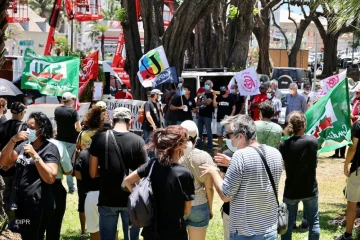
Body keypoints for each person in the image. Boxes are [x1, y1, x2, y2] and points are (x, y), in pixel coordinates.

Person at [200, 115, 283, 240]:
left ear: (240, 136)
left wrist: (213, 172)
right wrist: (233, 162)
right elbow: (257, 175)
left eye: (228, 135)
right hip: (270, 229)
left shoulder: (240, 156)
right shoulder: (275, 153)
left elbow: (225, 195)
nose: (229, 139)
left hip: (246, 232)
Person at [124, 125, 195, 240]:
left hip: (151, 231)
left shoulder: (152, 164)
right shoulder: (185, 173)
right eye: (186, 142)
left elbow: (127, 181)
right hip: (175, 232)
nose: (187, 145)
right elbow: (186, 210)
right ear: (178, 145)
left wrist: (141, 196)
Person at [89, 107, 147, 240]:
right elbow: (143, 172)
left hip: (107, 197)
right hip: (131, 198)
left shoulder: (99, 138)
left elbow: (92, 173)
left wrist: (105, 172)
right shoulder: (138, 141)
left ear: (112, 120)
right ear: (130, 121)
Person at [0, 112, 60, 240]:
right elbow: (4, 161)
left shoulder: (50, 148)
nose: (28, 130)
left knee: (34, 236)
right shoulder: (24, 145)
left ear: (42, 129)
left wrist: (35, 156)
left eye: (32, 128)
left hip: (38, 204)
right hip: (21, 203)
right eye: (27, 127)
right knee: (26, 235)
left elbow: (50, 177)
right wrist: (13, 140)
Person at [279, 112, 320, 240]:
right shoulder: (312, 141)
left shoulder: (284, 145)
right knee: (314, 222)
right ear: (303, 125)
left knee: (287, 224)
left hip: (291, 189)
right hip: (310, 188)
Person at [179, 120, 214, 240]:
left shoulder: (174, 155)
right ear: (196, 138)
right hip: (199, 204)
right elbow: (209, 188)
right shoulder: (205, 157)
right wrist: (210, 208)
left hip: (178, 205)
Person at [76, 106, 105, 238]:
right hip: (101, 172)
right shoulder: (104, 134)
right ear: (101, 122)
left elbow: (78, 149)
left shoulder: (82, 134)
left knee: (82, 201)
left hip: (84, 168)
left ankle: (83, 230)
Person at [0, 102, 27, 232]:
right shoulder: (24, 127)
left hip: (2, 166)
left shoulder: (3, 125)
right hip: (16, 166)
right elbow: (23, 148)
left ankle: (7, 220)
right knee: (15, 193)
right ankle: (14, 222)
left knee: (5, 193)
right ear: (21, 113)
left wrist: (3, 163)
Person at [335, 116, 360, 240]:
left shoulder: (358, 124)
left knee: (352, 202)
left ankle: (348, 235)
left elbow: (352, 148)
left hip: (358, 169)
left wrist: (346, 164)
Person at [54, 92, 81, 194]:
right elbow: (78, 128)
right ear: (70, 100)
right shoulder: (73, 111)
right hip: (71, 140)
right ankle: (71, 187)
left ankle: (58, 183)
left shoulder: (57, 110)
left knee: (59, 162)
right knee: (69, 164)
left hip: (59, 139)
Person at [46, 138, 73, 240]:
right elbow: (68, 170)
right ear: (54, 131)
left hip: (32, 186)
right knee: (54, 225)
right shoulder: (58, 144)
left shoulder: (28, 142)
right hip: (54, 185)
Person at [196, 80, 215, 151]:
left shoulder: (212, 94)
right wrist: (204, 101)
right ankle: (199, 146)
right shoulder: (202, 94)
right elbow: (197, 103)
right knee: (199, 131)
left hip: (208, 115)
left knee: (208, 132)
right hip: (201, 114)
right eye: (206, 83)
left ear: (211, 85)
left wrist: (204, 97)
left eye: (208, 84)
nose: (207, 85)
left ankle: (210, 147)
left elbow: (209, 103)